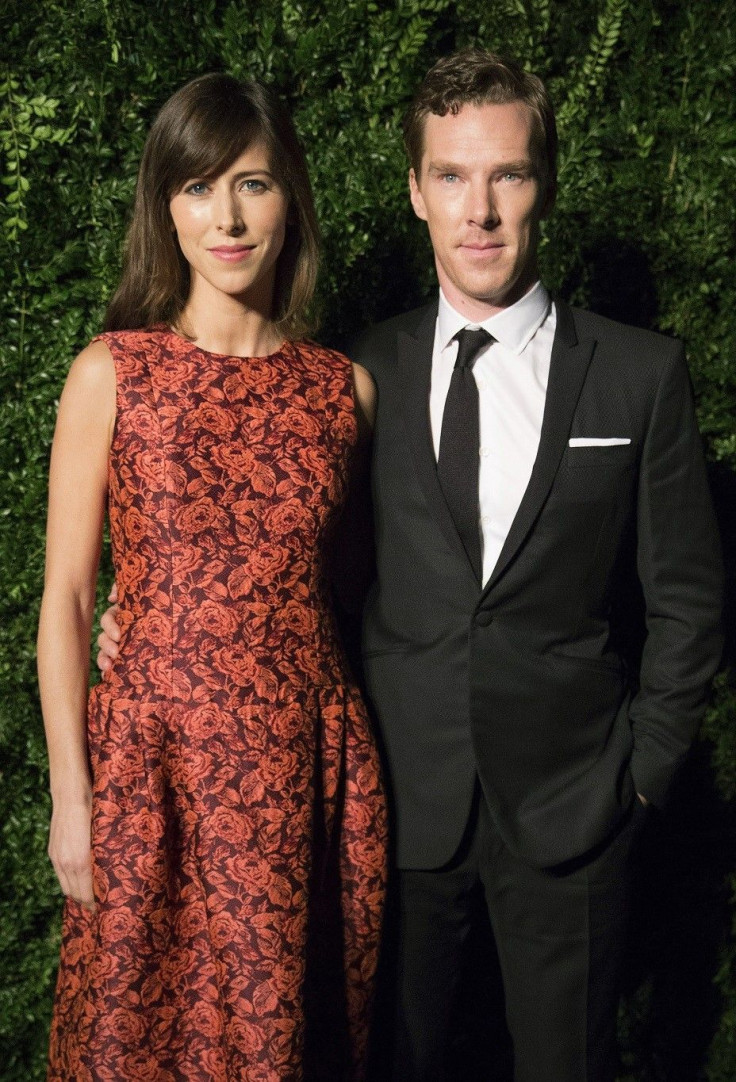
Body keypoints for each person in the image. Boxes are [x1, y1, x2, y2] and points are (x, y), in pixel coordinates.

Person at [98, 51, 725, 1082]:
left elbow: (690, 603)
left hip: (574, 813)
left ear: (544, 186)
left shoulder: (641, 376)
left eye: (507, 175)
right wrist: (145, 617)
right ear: (415, 191)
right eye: (450, 176)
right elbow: (297, 569)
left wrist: (640, 779)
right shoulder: (352, 375)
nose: (479, 210)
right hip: (391, 808)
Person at [37, 73, 387, 1082]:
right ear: (165, 208)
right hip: (151, 772)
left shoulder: (342, 391)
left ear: (293, 202)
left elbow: (349, 595)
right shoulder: (111, 371)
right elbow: (63, 598)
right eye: (197, 188)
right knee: (129, 1045)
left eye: (253, 185)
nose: (226, 217)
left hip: (304, 778)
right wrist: (74, 791)